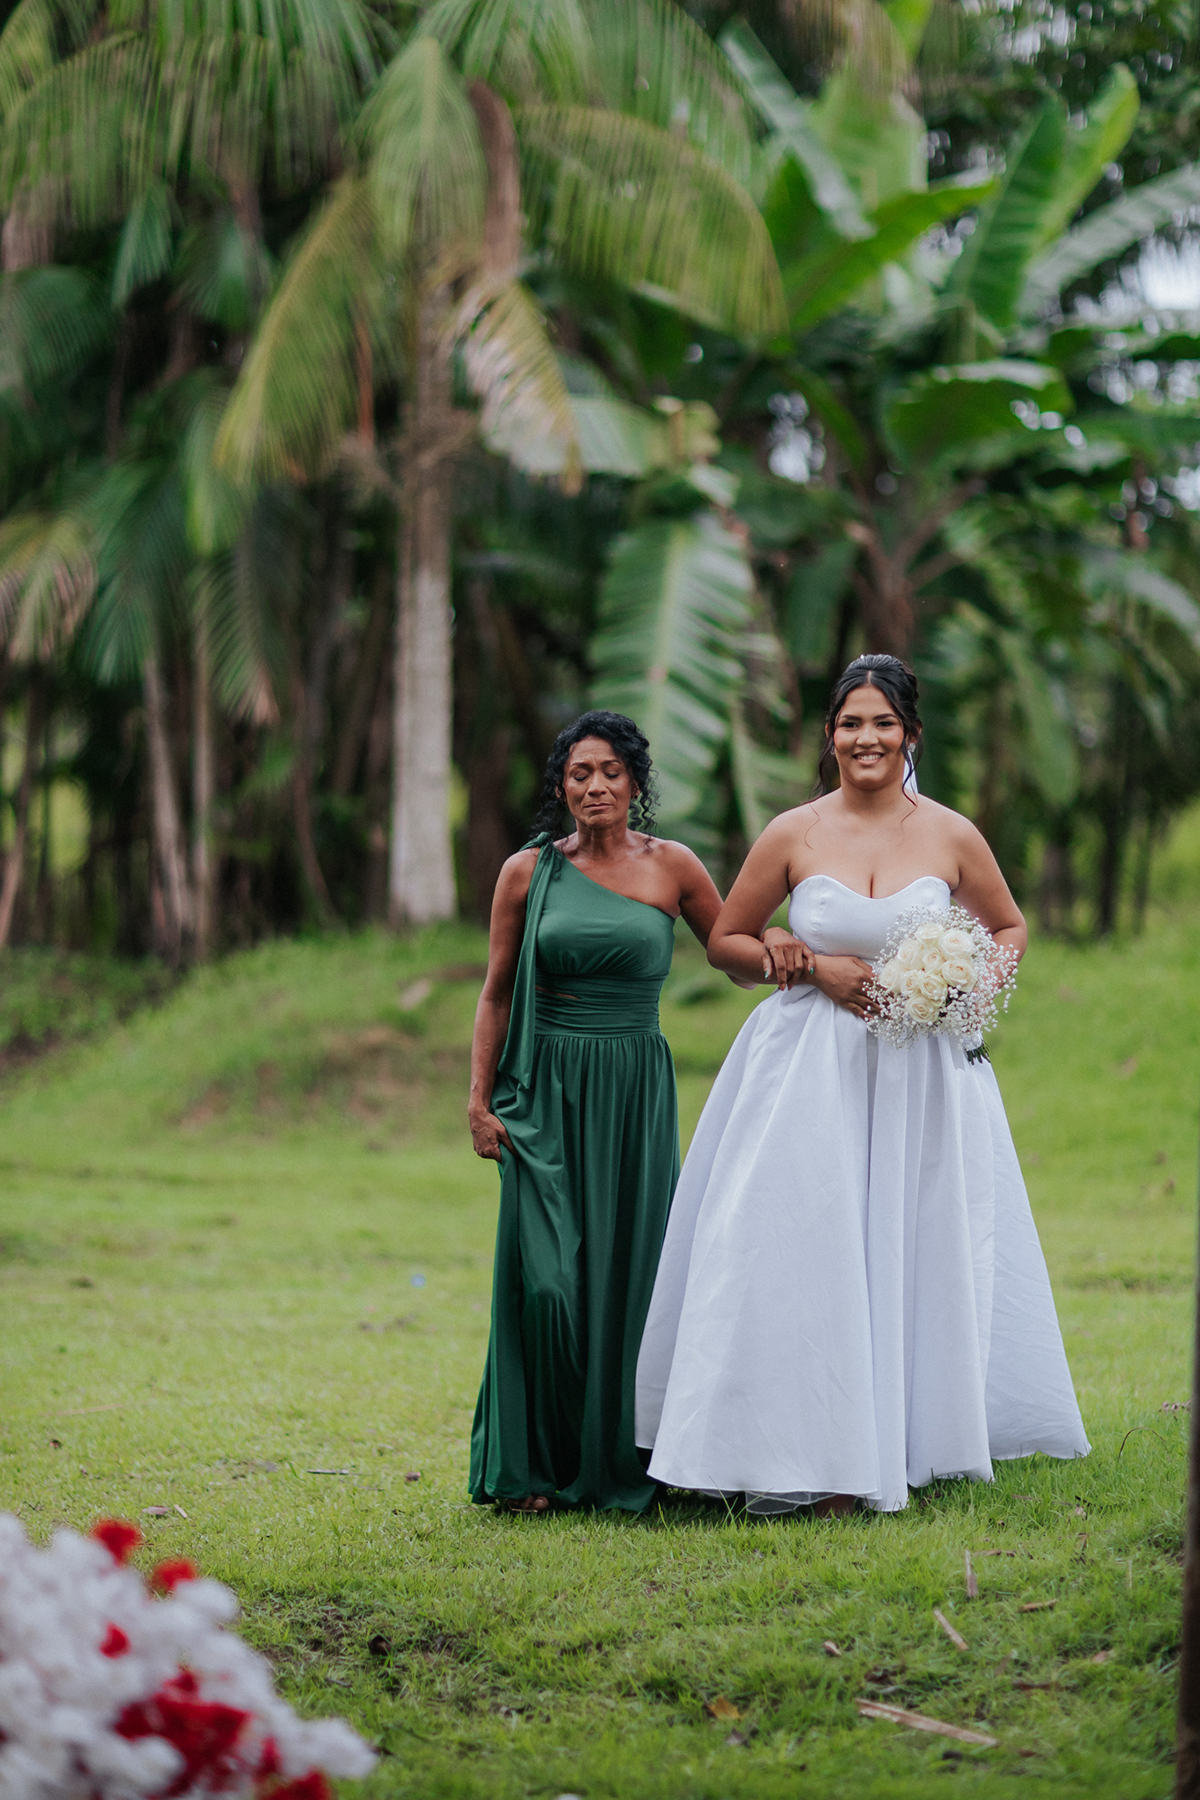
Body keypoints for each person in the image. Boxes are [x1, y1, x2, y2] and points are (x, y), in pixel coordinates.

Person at [635, 655, 1089, 1516]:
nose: (866, 738)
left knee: (907, 1241)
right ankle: (792, 1445)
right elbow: (727, 942)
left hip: (918, 1074)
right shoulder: (794, 833)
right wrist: (801, 963)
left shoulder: (952, 835)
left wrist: (967, 986)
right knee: (801, 1244)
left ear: (910, 733)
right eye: (850, 724)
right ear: (830, 735)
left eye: (882, 723)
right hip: (807, 1074)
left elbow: (1008, 927)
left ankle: (904, 1438)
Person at [468, 711, 729, 1513]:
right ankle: (534, 1466)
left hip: (634, 1093)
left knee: (632, 1275)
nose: (595, 786)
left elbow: (733, 951)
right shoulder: (527, 873)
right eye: (580, 773)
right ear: (560, 786)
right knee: (547, 1283)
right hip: (543, 1095)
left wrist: (801, 953)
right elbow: (496, 992)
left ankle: (634, 1456)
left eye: (611, 771)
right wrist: (478, 1100)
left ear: (636, 782)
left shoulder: (674, 867)